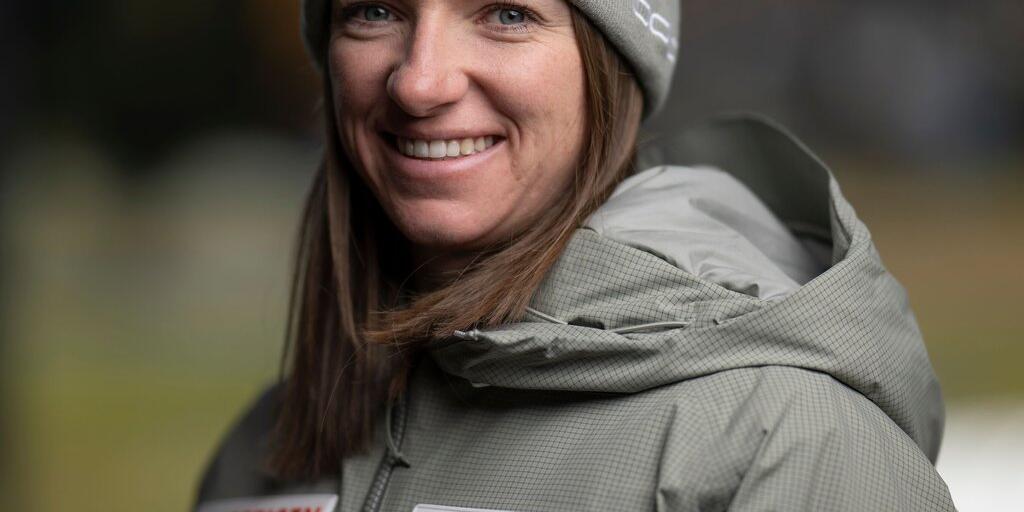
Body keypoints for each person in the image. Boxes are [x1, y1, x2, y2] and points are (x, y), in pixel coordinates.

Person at [195, 1, 956, 511]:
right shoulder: (263, 453)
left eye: (506, 13)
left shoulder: (786, 445)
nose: (419, 82)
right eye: (374, 10)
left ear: (611, 63)